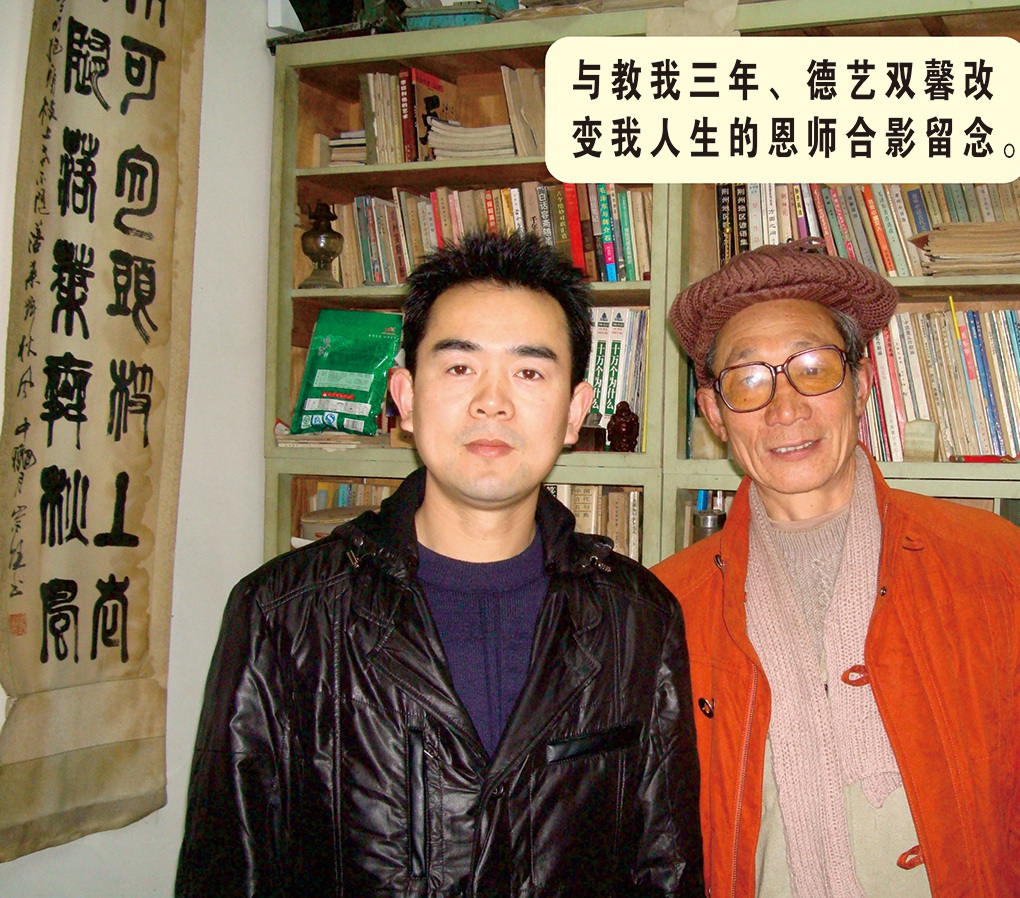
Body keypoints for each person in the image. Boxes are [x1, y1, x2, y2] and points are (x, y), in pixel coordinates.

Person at [177, 232, 704, 897]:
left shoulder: (638, 618)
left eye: (529, 372)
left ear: (575, 412)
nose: (492, 401)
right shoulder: (282, 613)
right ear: (404, 396)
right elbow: (231, 866)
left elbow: (667, 869)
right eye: (459, 367)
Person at [653, 241, 1020, 898]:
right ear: (714, 413)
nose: (785, 408)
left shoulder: (998, 569)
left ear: (862, 385)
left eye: (814, 368)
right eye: (749, 379)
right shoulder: (665, 606)